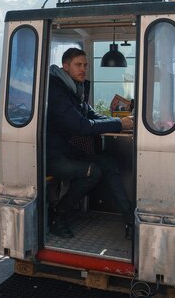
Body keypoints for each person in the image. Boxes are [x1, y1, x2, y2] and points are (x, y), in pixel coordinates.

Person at [46, 47, 134, 238]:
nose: (83, 69)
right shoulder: (56, 91)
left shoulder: (73, 88)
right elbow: (82, 126)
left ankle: (131, 220)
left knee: (108, 163)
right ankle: (57, 215)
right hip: (52, 156)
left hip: (68, 152)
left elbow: (90, 114)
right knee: (92, 172)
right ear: (65, 66)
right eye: (78, 65)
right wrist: (119, 123)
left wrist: (122, 123)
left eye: (85, 65)